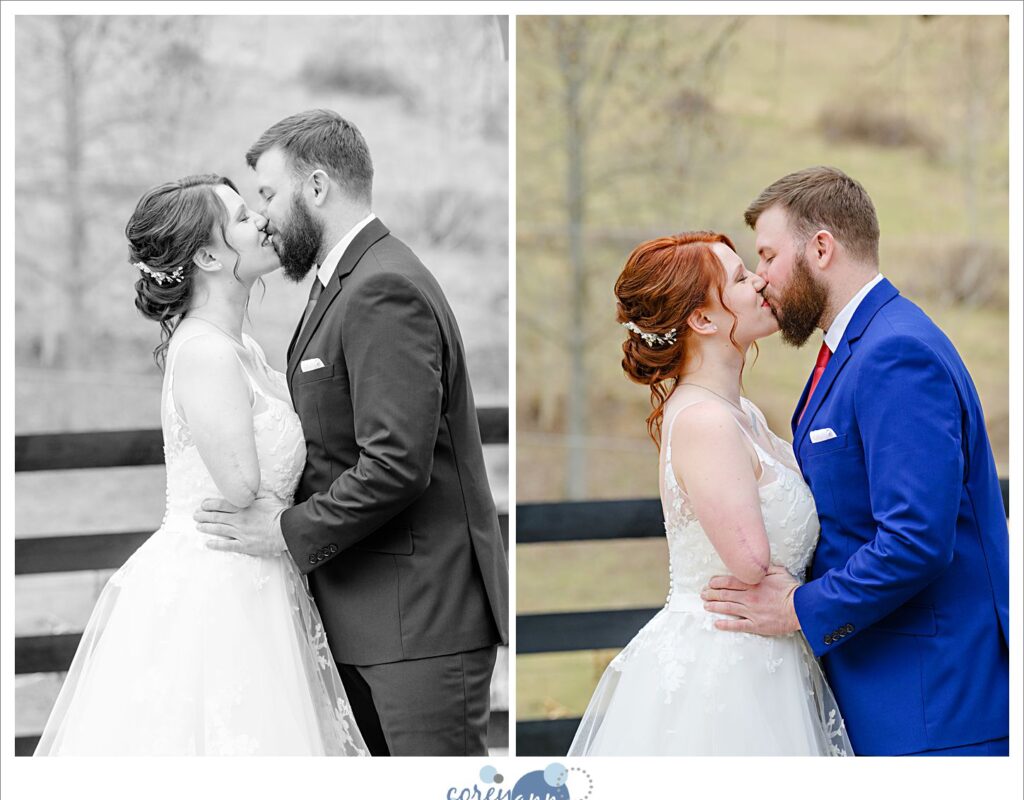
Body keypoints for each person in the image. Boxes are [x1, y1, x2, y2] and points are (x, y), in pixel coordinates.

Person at [194, 110, 509, 756]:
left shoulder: (381, 286)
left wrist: (283, 531)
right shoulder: (340, 284)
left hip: (417, 625)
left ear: (316, 188)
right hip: (371, 618)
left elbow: (395, 464)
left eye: (269, 195)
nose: (265, 217)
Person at [35, 175, 367, 756]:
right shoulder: (208, 353)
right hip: (217, 581)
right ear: (209, 255)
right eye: (242, 217)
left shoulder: (245, 348)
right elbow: (241, 486)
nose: (263, 220)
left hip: (262, 574)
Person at [700, 166, 1009, 756]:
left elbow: (916, 539)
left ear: (821, 248)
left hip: (934, 708)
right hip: (884, 695)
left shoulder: (896, 353)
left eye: (767, 257)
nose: (761, 280)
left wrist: (798, 607)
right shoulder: (856, 347)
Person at [568, 231, 852, 756]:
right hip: (725, 667)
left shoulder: (744, 414)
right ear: (702, 320)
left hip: (771, 656)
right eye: (742, 279)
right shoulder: (704, 421)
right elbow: (749, 561)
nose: (760, 281)